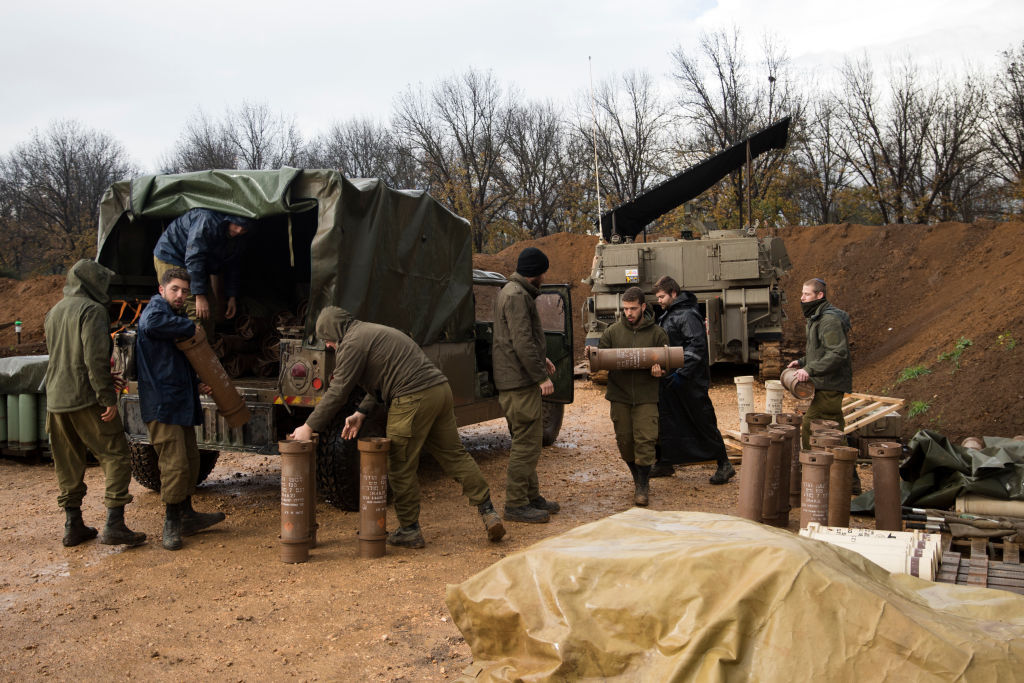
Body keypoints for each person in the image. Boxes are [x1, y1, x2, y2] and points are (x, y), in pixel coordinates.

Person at [289, 306, 505, 549]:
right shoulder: (370, 333)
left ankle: (410, 529)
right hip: (440, 391)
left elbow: (338, 391)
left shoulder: (351, 343)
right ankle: (488, 511)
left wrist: (309, 427)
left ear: (335, 331)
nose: (328, 345)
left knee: (399, 463)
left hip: (412, 398)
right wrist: (361, 412)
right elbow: (384, 378)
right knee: (454, 456)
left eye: (327, 339)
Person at [43, 259, 147, 548]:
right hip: (86, 397)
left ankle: (73, 524)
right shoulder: (92, 310)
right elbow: (95, 359)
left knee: (67, 461)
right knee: (115, 454)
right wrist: (107, 397)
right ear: (93, 282)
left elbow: (64, 356)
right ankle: (114, 524)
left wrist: (100, 379)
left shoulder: (54, 311)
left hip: (55, 398)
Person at [136, 267, 227, 550]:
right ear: (161, 290)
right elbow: (151, 326)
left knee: (189, 460)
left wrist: (196, 383)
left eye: (184, 292)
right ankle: (171, 524)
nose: (180, 295)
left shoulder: (171, 316)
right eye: (175, 289)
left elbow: (171, 362)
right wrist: (191, 327)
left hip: (179, 401)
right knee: (175, 465)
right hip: (163, 406)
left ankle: (187, 515)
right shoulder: (155, 311)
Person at [492, 247, 560, 523]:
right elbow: (520, 341)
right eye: (543, 271)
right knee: (526, 444)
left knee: (527, 441)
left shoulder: (510, 292)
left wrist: (540, 358)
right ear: (535, 273)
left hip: (515, 378)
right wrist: (540, 377)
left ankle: (531, 497)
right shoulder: (517, 295)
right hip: (519, 383)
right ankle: (516, 503)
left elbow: (515, 338)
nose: (544, 276)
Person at [650, 276, 735, 485]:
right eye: (658, 297)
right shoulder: (670, 314)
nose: (659, 300)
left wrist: (682, 373)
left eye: (662, 296)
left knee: (701, 420)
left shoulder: (686, 315)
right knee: (667, 420)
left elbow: (696, 346)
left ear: (673, 294)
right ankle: (665, 461)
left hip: (689, 380)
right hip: (672, 379)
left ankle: (724, 464)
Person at [587, 287, 667, 506]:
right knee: (625, 442)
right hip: (620, 395)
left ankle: (642, 484)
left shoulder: (657, 333)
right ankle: (637, 476)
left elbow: (669, 363)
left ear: (643, 307)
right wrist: (592, 357)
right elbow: (599, 361)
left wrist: (661, 370)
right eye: (626, 309)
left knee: (646, 440)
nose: (629, 313)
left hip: (646, 396)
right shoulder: (612, 332)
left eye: (633, 308)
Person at [152, 208, 253, 340]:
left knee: (209, 308)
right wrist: (199, 295)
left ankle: (208, 349)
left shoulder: (240, 238)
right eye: (236, 224)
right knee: (191, 307)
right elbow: (194, 257)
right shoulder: (206, 220)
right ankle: (194, 353)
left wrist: (232, 296)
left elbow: (233, 265)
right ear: (228, 219)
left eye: (244, 228)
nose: (239, 230)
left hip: (199, 266)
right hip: (172, 255)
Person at [787, 277, 852, 450]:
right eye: (802, 293)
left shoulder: (828, 321)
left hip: (831, 384)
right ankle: (843, 474)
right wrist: (801, 362)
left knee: (811, 424)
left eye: (807, 294)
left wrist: (809, 369)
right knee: (834, 427)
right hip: (826, 382)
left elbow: (838, 353)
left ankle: (814, 469)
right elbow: (820, 351)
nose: (802, 298)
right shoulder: (816, 317)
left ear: (819, 295)